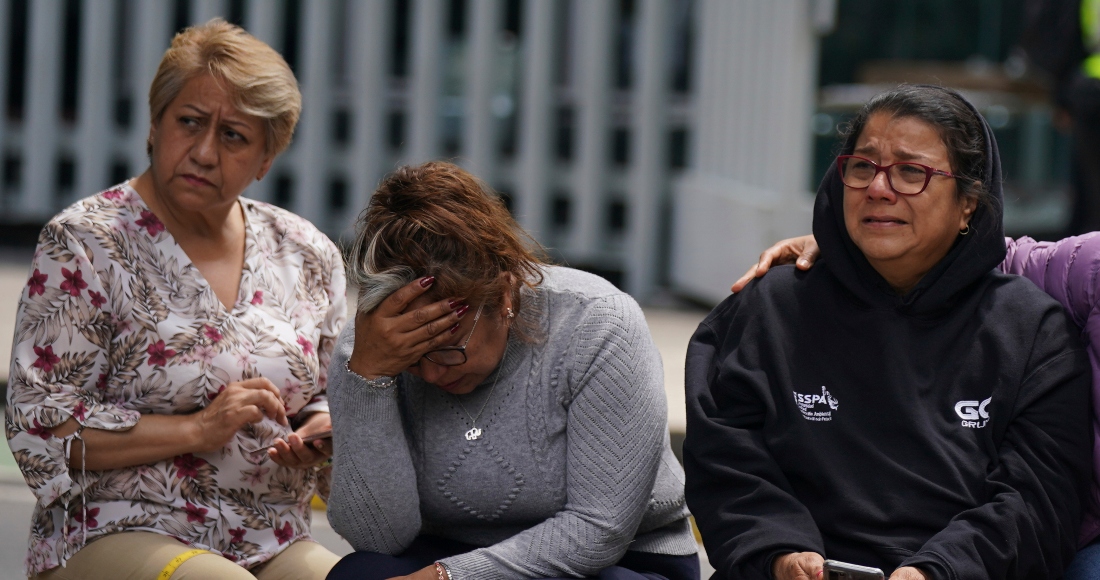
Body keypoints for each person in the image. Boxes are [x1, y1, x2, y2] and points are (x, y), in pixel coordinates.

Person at [684, 85, 1093, 579]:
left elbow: (1037, 500)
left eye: (911, 172)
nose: (879, 188)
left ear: (968, 204)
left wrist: (937, 570)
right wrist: (778, 551)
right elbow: (726, 461)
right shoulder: (767, 310)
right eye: (863, 167)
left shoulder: (1031, 332)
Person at [5, 19, 346, 579]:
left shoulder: (307, 253)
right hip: (119, 525)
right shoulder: (87, 243)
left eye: (234, 136)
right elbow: (38, 423)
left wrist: (318, 430)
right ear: (155, 126)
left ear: (266, 159)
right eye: (189, 123)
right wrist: (197, 429)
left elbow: (330, 394)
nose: (205, 152)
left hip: (271, 532)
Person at [323, 161, 700, 580]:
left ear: (504, 295)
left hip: (617, 563)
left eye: (449, 349)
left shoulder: (596, 324)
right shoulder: (369, 349)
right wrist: (369, 377)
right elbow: (378, 540)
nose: (430, 375)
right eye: (411, 358)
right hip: (438, 552)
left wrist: (451, 577)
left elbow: (601, 528)